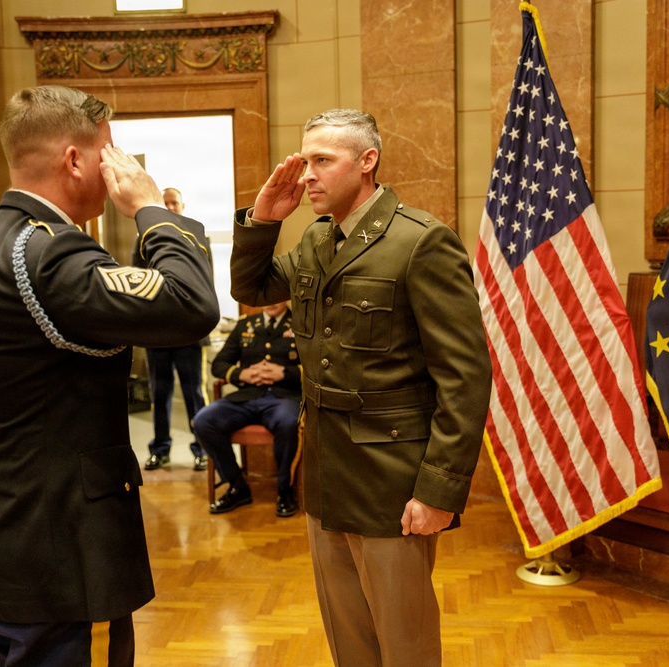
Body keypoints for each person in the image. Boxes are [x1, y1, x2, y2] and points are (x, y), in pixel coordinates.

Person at [0, 85, 219, 667]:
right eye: (111, 153)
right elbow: (193, 305)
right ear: (75, 159)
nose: (120, 168)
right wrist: (151, 210)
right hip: (61, 544)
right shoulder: (53, 255)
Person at [229, 109, 492, 666]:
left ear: (367, 161)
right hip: (326, 474)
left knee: (405, 643)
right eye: (305, 163)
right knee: (349, 638)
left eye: (322, 161)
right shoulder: (316, 241)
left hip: (392, 481)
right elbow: (250, 287)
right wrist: (264, 219)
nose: (307, 177)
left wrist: (439, 491)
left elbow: (464, 377)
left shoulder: (420, 242)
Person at [192, 300, 301, 517]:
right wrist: (241, 374)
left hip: (284, 397)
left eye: (277, 295)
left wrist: (285, 373)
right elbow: (219, 364)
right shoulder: (246, 325)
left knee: (289, 423)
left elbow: (316, 369)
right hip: (248, 396)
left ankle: (284, 489)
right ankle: (236, 485)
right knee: (203, 421)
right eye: (266, 297)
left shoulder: (300, 324)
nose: (271, 302)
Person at [139, 187, 210, 472]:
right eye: (165, 203)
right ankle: (160, 449)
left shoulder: (197, 237)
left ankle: (201, 449)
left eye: (174, 203)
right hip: (156, 334)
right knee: (160, 394)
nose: (170, 207)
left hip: (189, 333)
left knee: (195, 393)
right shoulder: (144, 239)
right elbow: (139, 285)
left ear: (183, 205)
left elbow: (205, 284)